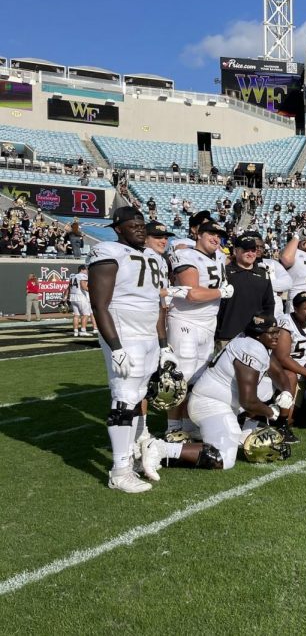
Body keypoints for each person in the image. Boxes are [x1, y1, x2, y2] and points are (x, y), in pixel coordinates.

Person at [87, 207, 178, 492]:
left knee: (139, 396)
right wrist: (115, 346)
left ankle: (135, 458)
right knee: (124, 398)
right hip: (125, 332)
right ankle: (119, 470)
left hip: (149, 334)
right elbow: (99, 304)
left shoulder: (155, 258)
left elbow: (159, 305)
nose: (140, 229)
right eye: (133, 225)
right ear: (117, 228)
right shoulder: (108, 251)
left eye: (142, 225)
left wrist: (164, 345)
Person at [184, 313, 291, 470]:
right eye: (272, 332)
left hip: (221, 401)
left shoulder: (256, 343)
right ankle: (161, 450)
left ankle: (244, 434)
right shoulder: (251, 348)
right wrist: (270, 412)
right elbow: (248, 401)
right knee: (223, 458)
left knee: (268, 386)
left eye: (277, 331)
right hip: (210, 404)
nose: (277, 336)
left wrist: (287, 392)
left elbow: (279, 374)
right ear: (258, 335)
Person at [166, 221, 232, 437]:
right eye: (211, 234)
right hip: (186, 321)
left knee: (197, 378)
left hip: (208, 323)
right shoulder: (186, 256)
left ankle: (187, 424)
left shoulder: (219, 257)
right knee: (181, 377)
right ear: (198, 234)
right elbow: (192, 294)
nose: (216, 238)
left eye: (218, 235)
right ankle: (173, 428)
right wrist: (221, 292)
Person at [272, 292, 306, 439]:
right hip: (286, 370)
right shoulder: (286, 324)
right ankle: (282, 426)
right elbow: (282, 358)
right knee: (291, 419)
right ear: (295, 309)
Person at [216, 234, 275, 345]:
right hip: (227, 335)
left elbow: (269, 305)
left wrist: (264, 330)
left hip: (254, 336)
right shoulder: (224, 272)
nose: (250, 254)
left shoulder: (264, 275)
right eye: (246, 250)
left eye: (253, 250)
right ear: (235, 251)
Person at [66, 264, 96, 337]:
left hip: (73, 296)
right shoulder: (82, 276)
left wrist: (66, 297)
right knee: (86, 314)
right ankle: (83, 330)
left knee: (76, 315)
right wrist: (93, 291)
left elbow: (68, 288)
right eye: (86, 269)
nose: (87, 271)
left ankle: (75, 331)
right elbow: (83, 286)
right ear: (82, 270)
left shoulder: (73, 276)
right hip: (80, 296)